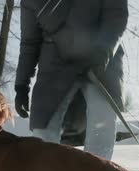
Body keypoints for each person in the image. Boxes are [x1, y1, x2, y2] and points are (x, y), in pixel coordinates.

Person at [14, 0, 128, 160]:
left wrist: (104, 52)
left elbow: (116, 14)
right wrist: (21, 85)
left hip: (101, 59)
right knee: (43, 129)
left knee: (102, 119)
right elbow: (30, 42)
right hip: (55, 65)